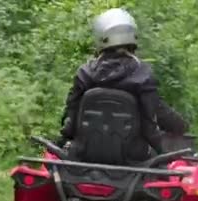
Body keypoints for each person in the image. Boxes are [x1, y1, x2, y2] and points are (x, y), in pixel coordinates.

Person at [59, 8, 188, 159]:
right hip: (133, 156)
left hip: (84, 153)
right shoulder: (143, 75)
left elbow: (69, 123)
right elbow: (151, 123)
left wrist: (62, 142)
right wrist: (179, 129)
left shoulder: (84, 73)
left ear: (101, 37)